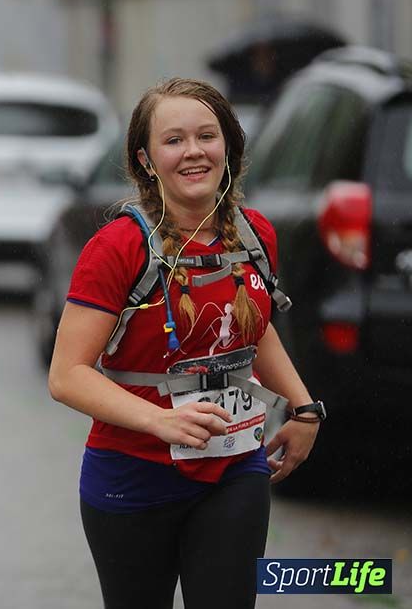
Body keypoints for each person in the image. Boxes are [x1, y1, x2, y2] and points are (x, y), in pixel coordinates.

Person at [48, 78, 323, 609]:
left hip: (236, 467)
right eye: (174, 140)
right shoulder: (118, 247)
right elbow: (67, 375)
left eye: (207, 136)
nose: (193, 151)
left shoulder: (254, 233)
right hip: (134, 477)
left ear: (229, 148)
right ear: (147, 160)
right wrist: (160, 421)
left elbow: (250, 325)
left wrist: (305, 408)